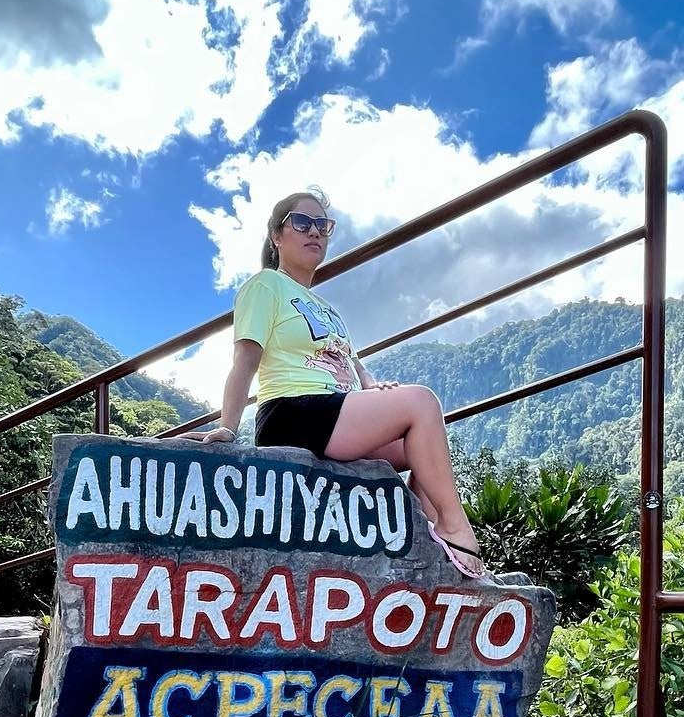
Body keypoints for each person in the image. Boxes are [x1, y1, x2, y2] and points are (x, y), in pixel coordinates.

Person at [182, 188, 491, 581]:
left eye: (323, 226)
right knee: (422, 403)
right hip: (292, 413)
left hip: (334, 412)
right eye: (302, 222)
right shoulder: (266, 286)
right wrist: (228, 425)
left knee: (424, 445)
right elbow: (245, 359)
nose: (315, 232)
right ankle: (455, 526)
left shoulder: (329, 310)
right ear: (277, 236)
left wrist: (378, 393)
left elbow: (355, 371)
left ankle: (424, 547)